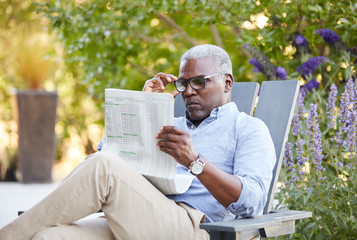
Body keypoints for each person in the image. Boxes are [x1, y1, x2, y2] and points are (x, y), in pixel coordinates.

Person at [0, 44, 276, 240]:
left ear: (227, 83)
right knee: (49, 237)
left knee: (105, 168)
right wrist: (143, 105)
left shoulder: (249, 129)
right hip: (133, 216)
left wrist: (195, 161)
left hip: (194, 227)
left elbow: (251, 202)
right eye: (183, 84)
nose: (189, 91)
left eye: (199, 82)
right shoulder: (170, 124)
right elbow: (102, 158)